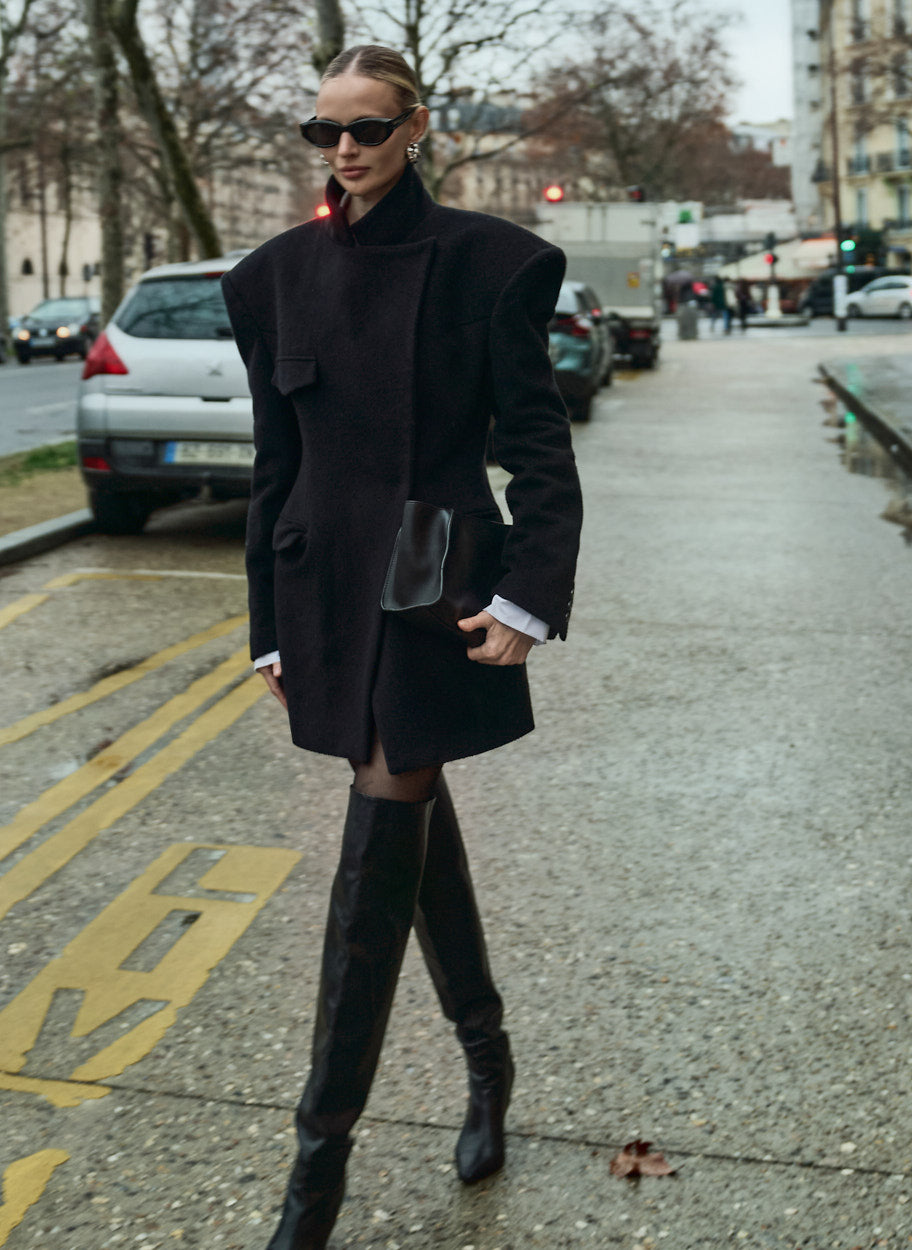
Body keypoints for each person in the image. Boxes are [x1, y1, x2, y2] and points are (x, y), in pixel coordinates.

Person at [221, 44, 583, 1250]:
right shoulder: (271, 279)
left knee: (373, 850)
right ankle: (488, 1055)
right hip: (321, 593)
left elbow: (536, 449)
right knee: (409, 836)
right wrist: (264, 630)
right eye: (322, 130)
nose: (344, 149)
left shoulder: (493, 263)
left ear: (415, 126)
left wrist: (528, 596)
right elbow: (274, 468)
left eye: (367, 128)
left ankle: (314, 1170)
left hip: (431, 593)